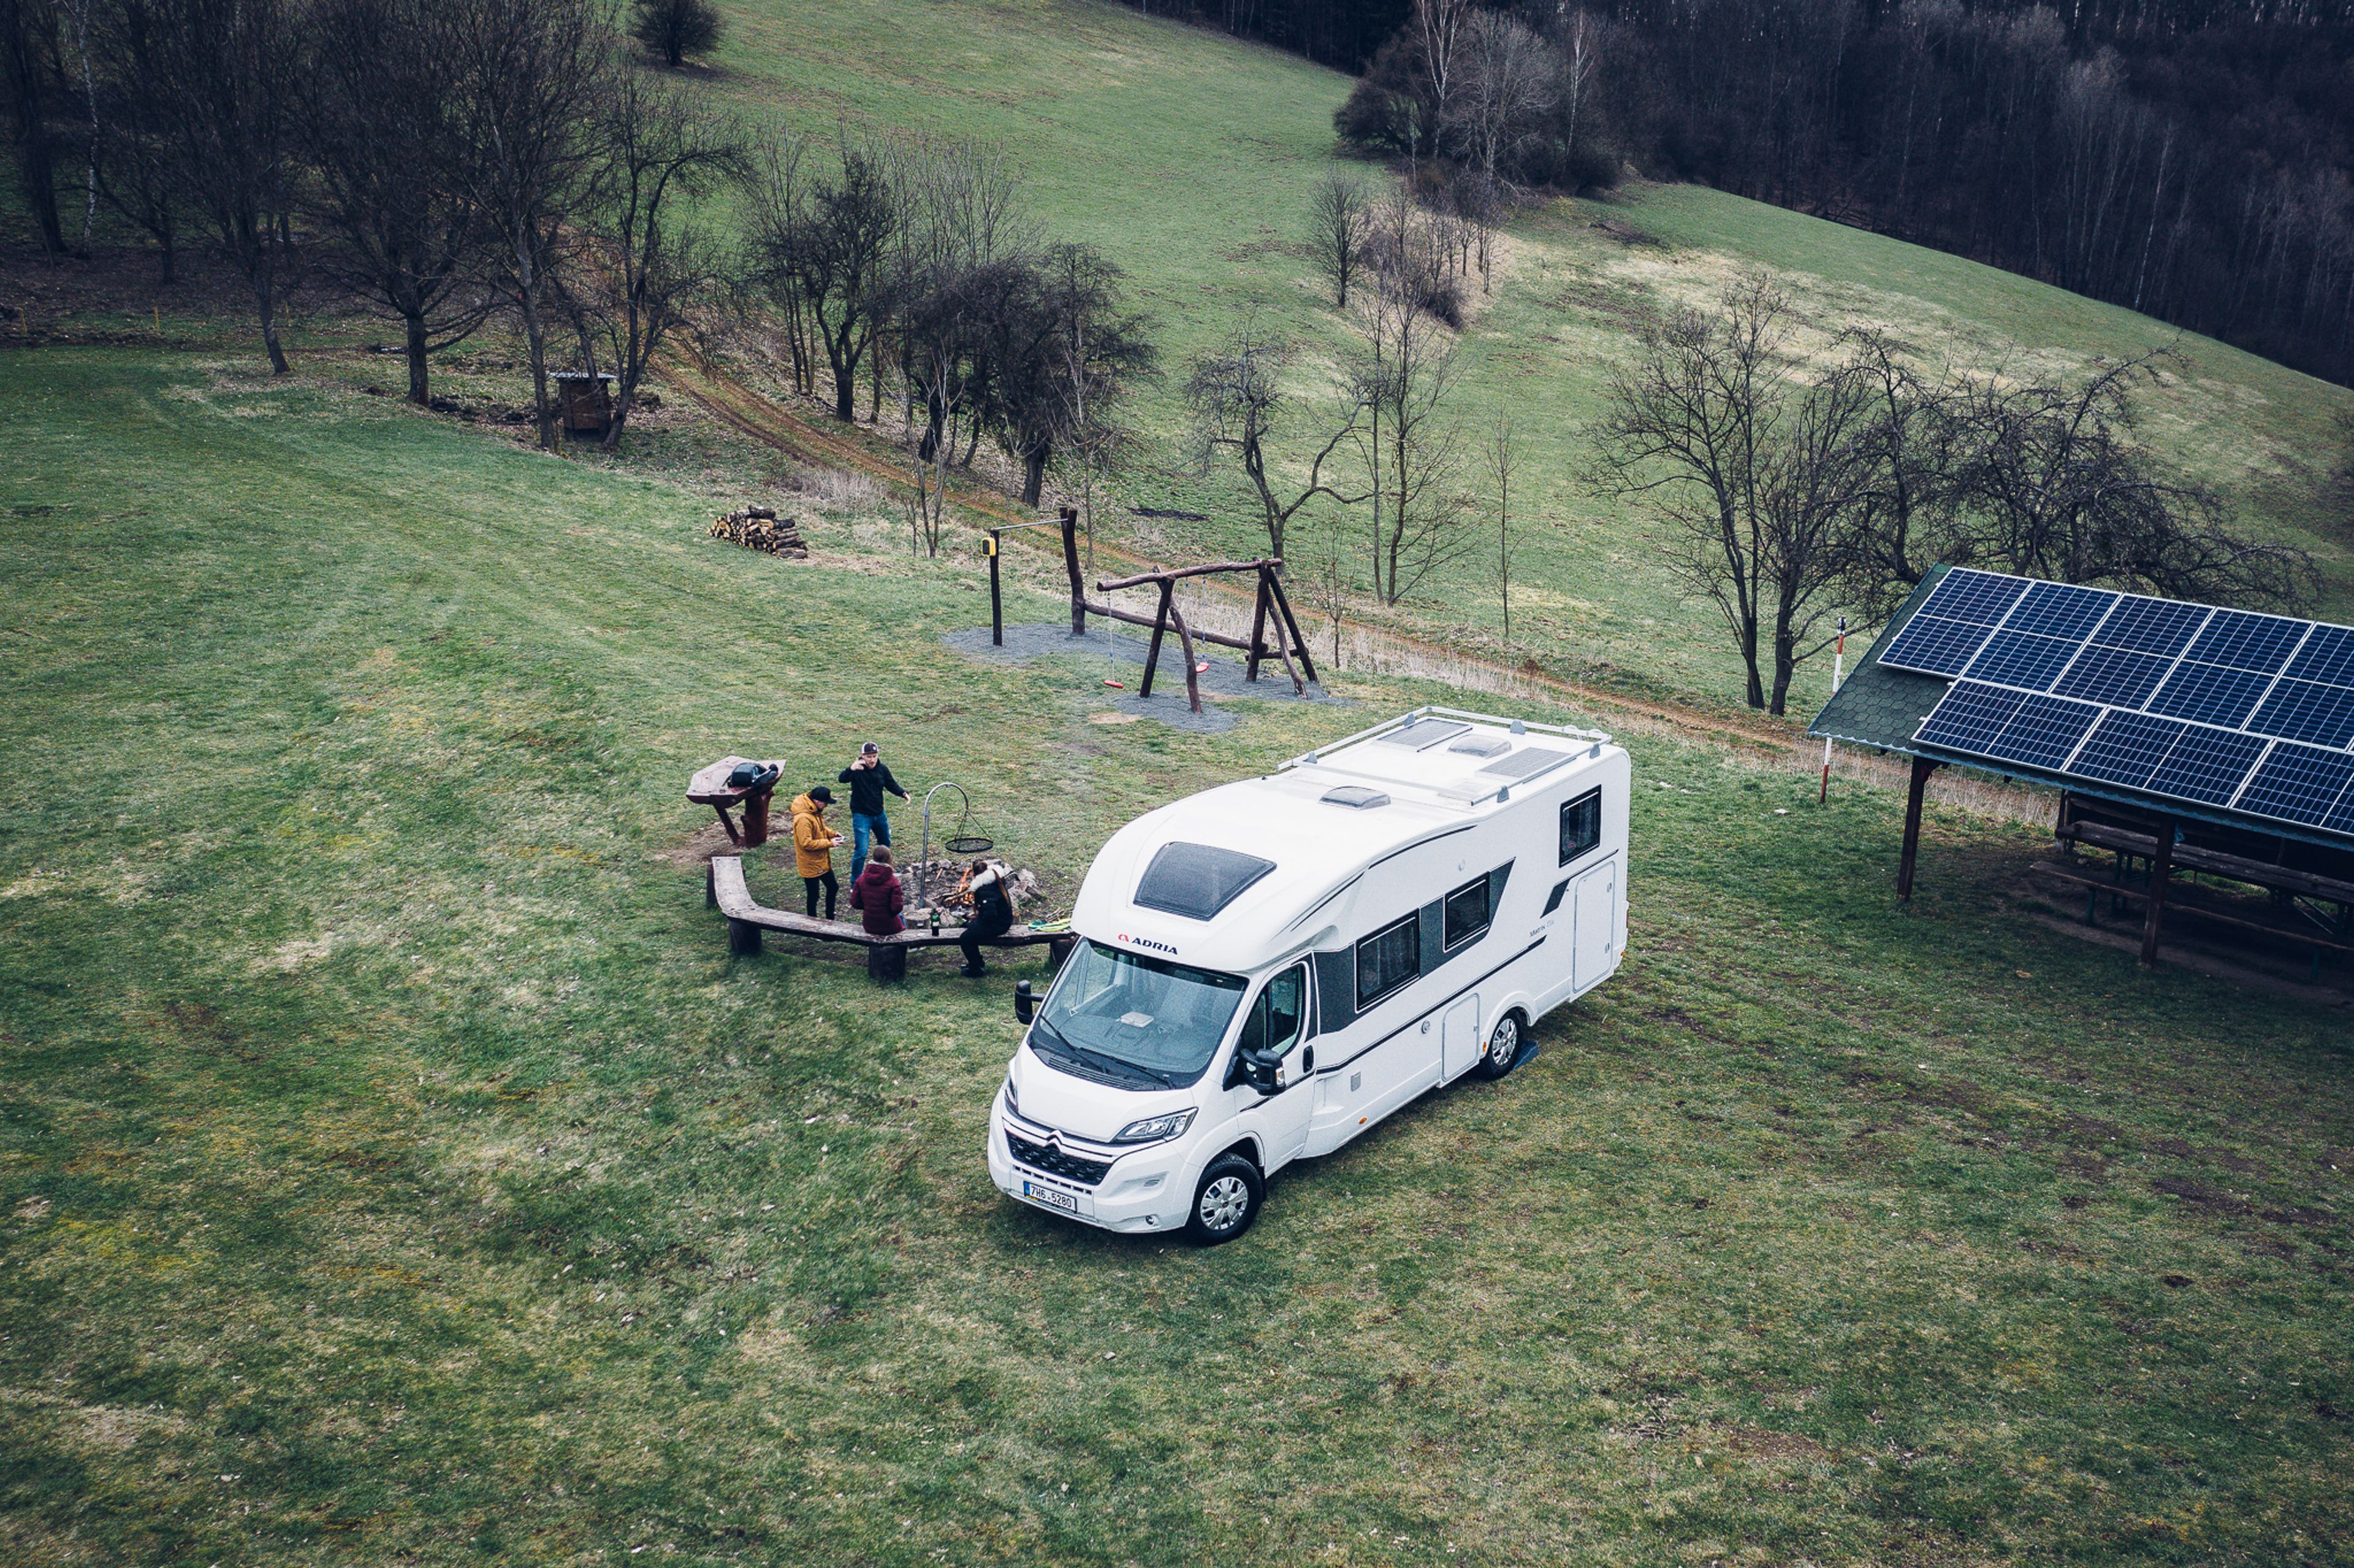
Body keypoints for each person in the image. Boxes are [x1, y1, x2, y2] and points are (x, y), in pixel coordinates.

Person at [836, 742, 910, 880]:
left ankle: (884, 874)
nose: (872, 760)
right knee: (861, 852)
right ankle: (856, 883)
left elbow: (890, 784)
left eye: (874, 756)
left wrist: (903, 793)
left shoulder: (882, 769)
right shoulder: (856, 770)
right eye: (869, 757)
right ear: (862, 756)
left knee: (885, 846)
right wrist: (851, 769)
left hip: (879, 815)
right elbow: (842, 779)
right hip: (861, 816)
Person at [791, 785, 844, 920]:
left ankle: (830, 918)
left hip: (821, 861)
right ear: (816, 801)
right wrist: (829, 843)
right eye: (825, 802)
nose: (826, 805)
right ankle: (812, 924)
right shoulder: (803, 819)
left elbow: (820, 828)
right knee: (814, 896)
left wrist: (832, 834)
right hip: (810, 864)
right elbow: (806, 843)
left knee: (833, 888)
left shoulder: (814, 812)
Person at [958, 857, 1016, 977]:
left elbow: (990, 916)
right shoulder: (995, 879)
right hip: (1003, 920)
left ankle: (975, 969)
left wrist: (974, 924)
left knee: (965, 938)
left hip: (999, 924)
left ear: (974, 873)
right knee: (970, 932)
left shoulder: (985, 889)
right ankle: (977, 962)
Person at [850, 843, 906, 937]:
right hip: (890, 927)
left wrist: (870, 907)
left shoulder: (861, 879)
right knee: (901, 919)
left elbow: (855, 902)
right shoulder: (893, 882)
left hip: (869, 925)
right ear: (889, 859)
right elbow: (897, 908)